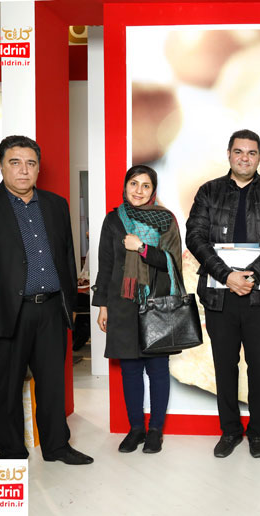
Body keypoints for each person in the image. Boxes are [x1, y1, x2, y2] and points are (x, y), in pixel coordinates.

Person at [0, 135, 92, 465]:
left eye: (30, 163)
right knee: (5, 386)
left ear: (38, 168)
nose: (23, 170)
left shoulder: (56, 204)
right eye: (15, 163)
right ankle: (12, 451)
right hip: (3, 312)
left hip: (50, 311)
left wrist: (69, 304)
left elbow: (67, 257)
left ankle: (57, 446)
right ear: (2, 166)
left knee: (53, 384)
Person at [186, 129, 260, 458]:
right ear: (229, 154)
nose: (245, 158)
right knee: (225, 365)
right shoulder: (209, 191)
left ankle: (258, 433)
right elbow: (195, 236)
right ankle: (230, 431)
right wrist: (227, 276)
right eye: (239, 151)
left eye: (251, 152)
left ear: (259, 157)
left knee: (258, 365)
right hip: (219, 294)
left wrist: (253, 274)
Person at [92, 165, 182, 454]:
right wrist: (102, 305)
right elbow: (105, 264)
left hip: (156, 302)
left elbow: (173, 262)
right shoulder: (113, 220)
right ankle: (136, 429)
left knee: (157, 370)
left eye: (146, 185)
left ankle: (155, 430)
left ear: (153, 190)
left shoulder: (166, 220)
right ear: (125, 186)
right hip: (122, 303)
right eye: (134, 183)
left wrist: (142, 248)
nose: (139, 191)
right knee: (130, 370)